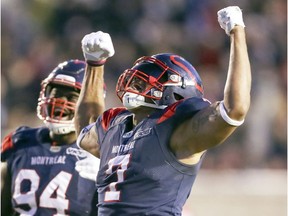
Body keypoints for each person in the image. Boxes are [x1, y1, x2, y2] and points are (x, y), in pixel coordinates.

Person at [75, 6, 251, 215]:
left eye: (143, 83)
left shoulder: (177, 128)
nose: (134, 86)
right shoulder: (116, 124)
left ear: (177, 92)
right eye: (135, 80)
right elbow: (85, 128)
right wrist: (94, 65)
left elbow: (235, 109)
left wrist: (237, 32)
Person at [1, 59, 101, 216]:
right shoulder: (20, 143)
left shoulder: (101, 153)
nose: (60, 102)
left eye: (71, 97)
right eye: (56, 94)